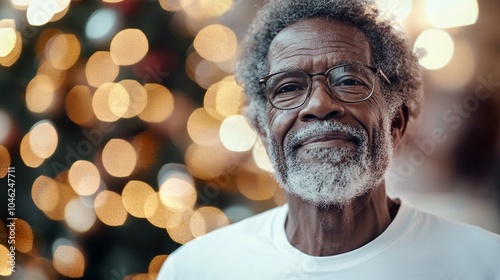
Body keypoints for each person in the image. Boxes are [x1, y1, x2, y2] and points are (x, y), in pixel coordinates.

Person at [158, 0, 500, 279]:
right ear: (263, 132)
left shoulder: (484, 264)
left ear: (396, 122)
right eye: (289, 87)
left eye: (349, 81)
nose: (320, 104)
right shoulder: (194, 270)